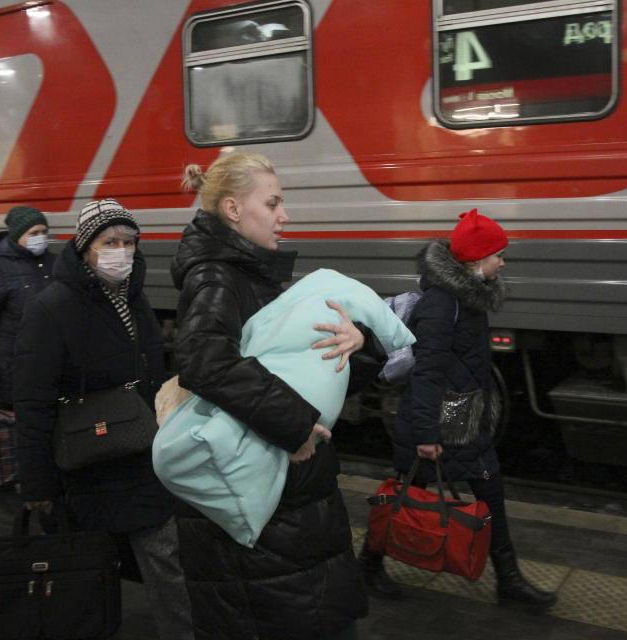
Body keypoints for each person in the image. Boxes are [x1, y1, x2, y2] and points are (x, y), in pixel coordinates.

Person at [171, 152, 387, 640]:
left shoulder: (252, 275)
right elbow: (204, 360)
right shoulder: (216, 277)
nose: (284, 215)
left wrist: (358, 346)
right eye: (272, 203)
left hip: (291, 514)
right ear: (232, 209)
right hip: (269, 525)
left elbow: (309, 372)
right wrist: (294, 423)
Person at [12, 198, 193, 639]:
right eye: (110, 241)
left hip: (141, 460)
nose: (122, 251)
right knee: (91, 573)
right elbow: (32, 402)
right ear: (84, 247)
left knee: (168, 566)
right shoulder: (50, 308)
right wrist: (36, 484)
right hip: (86, 465)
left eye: (129, 242)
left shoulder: (135, 299)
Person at [361, 209, 558, 610]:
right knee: (409, 493)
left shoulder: (467, 297)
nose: (502, 262)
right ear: (475, 260)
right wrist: (428, 436)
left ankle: (508, 580)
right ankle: (367, 565)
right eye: (497, 255)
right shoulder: (441, 306)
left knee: (479, 494)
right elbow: (427, 374)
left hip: (464, 417)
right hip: (443, 421)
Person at [0, 205, 55, 408]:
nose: (40, 237)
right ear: (16, 235)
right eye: (33, 233)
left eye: (44, 232)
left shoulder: (51, 263)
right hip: (14, 369)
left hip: (49, 364)